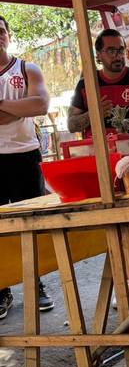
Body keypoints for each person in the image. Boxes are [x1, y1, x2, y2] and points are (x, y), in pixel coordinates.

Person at [0, 16, 54, 319]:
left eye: (1, 31)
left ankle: (36, 282)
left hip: (24, 155)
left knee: (30, 224)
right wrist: (16, 106)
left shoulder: (27, 69)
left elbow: (40, 106)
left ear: (9, 35)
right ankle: (2, 288)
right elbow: (26, 106)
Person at [68, 29, 129, 134]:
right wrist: (94, 114)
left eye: (121, 50)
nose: (118, 56)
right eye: (111, 51)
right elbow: (71, 126)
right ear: (98, 54)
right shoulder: (86, 84)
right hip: (96, 149)